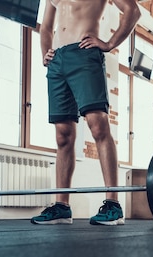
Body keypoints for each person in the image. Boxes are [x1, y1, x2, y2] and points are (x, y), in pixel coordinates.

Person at [31, 0, 141, 226]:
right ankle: (62, 207)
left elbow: (133, 10)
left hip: (83, 55)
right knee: (63, 135)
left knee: (98, 125)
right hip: (57, 61)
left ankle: (113, 205)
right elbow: (45, 27)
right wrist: (45, 54)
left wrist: (110, 43)